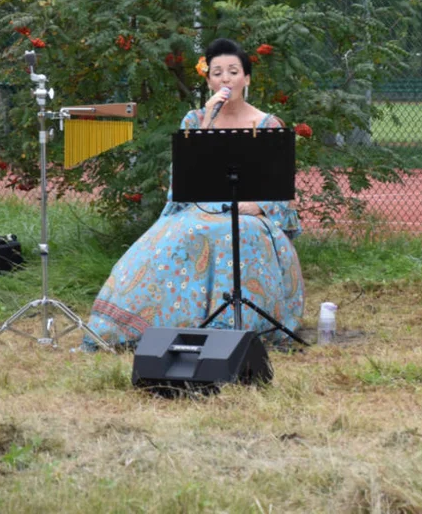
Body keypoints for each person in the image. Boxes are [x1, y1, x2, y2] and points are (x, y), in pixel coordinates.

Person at [84, 38, 304, 348]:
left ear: (247, 78)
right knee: (182, 234)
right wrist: (206, 121)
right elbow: (184, 179)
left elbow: (282, 190)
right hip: (199, 210)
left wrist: (258, 207)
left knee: (241, 234)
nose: (225, 79)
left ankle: (245, 329)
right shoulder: (194, 120)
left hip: (250, 214)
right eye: (217, 73)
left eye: (233, 71)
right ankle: (167, 327)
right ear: (208, 79)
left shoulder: (267, 124)